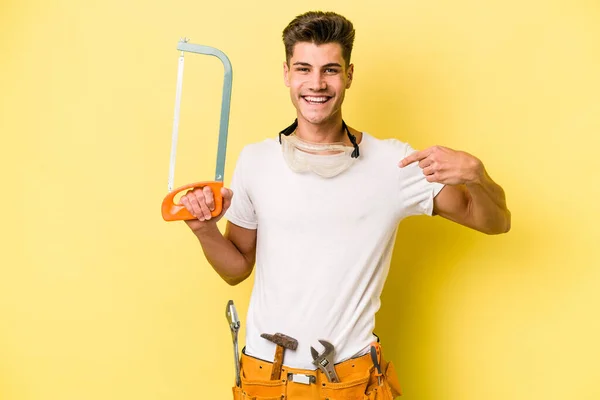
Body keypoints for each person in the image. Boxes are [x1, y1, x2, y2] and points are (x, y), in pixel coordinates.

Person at [180, 10, 510, 400]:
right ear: (286, 73)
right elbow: (236, 269)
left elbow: (494, 221)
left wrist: (477, 173)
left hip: (351, 383)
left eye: (330, 70)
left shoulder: (394, 164)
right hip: (265, 379)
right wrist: (203, 229)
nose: (316, 84)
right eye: (304, 69)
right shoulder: (256, 161)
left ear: (349, 75)